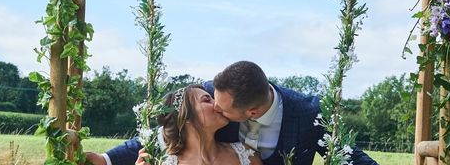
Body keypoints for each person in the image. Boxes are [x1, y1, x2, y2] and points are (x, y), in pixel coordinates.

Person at [90, 61, 379, 165]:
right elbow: (157, 136)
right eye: (210, 100)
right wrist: (105, 160)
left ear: (251, 112)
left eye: (221, 108)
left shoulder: (309, 114)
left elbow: (350, 156)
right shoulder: (210, 93)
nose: (215, 105)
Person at [85, 84, 261, 165]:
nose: (217, 104)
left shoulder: (245, 154)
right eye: (207, 100)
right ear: (186, 117)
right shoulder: (163, 162)